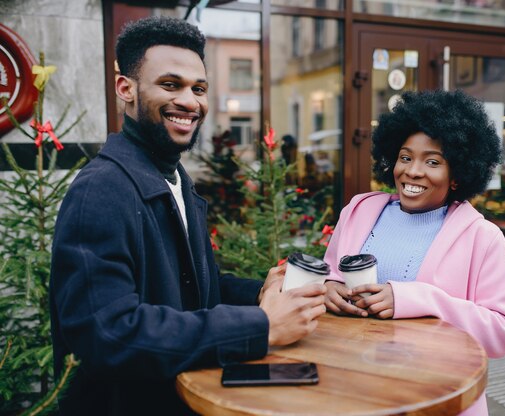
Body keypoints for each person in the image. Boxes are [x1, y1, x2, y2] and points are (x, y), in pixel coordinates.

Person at [49, 16, 326, 416]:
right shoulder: (101, 190)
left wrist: (262, 292)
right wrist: (261, 327)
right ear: (124, 89)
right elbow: (107, 333)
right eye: (170, 84)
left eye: (199, 88)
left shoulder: (176, 178)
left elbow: (191, 288)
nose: (190, 101)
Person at [323, 89, 505, 416]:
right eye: (405, 157)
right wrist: (329, 287)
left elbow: (504, 333)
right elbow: (331, 275)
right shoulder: (359, 211)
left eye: (433, 161)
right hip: (355, 387)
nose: (413, 172)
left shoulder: (482, 237)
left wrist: (418, 298)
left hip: (433, 396)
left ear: (456, 175)